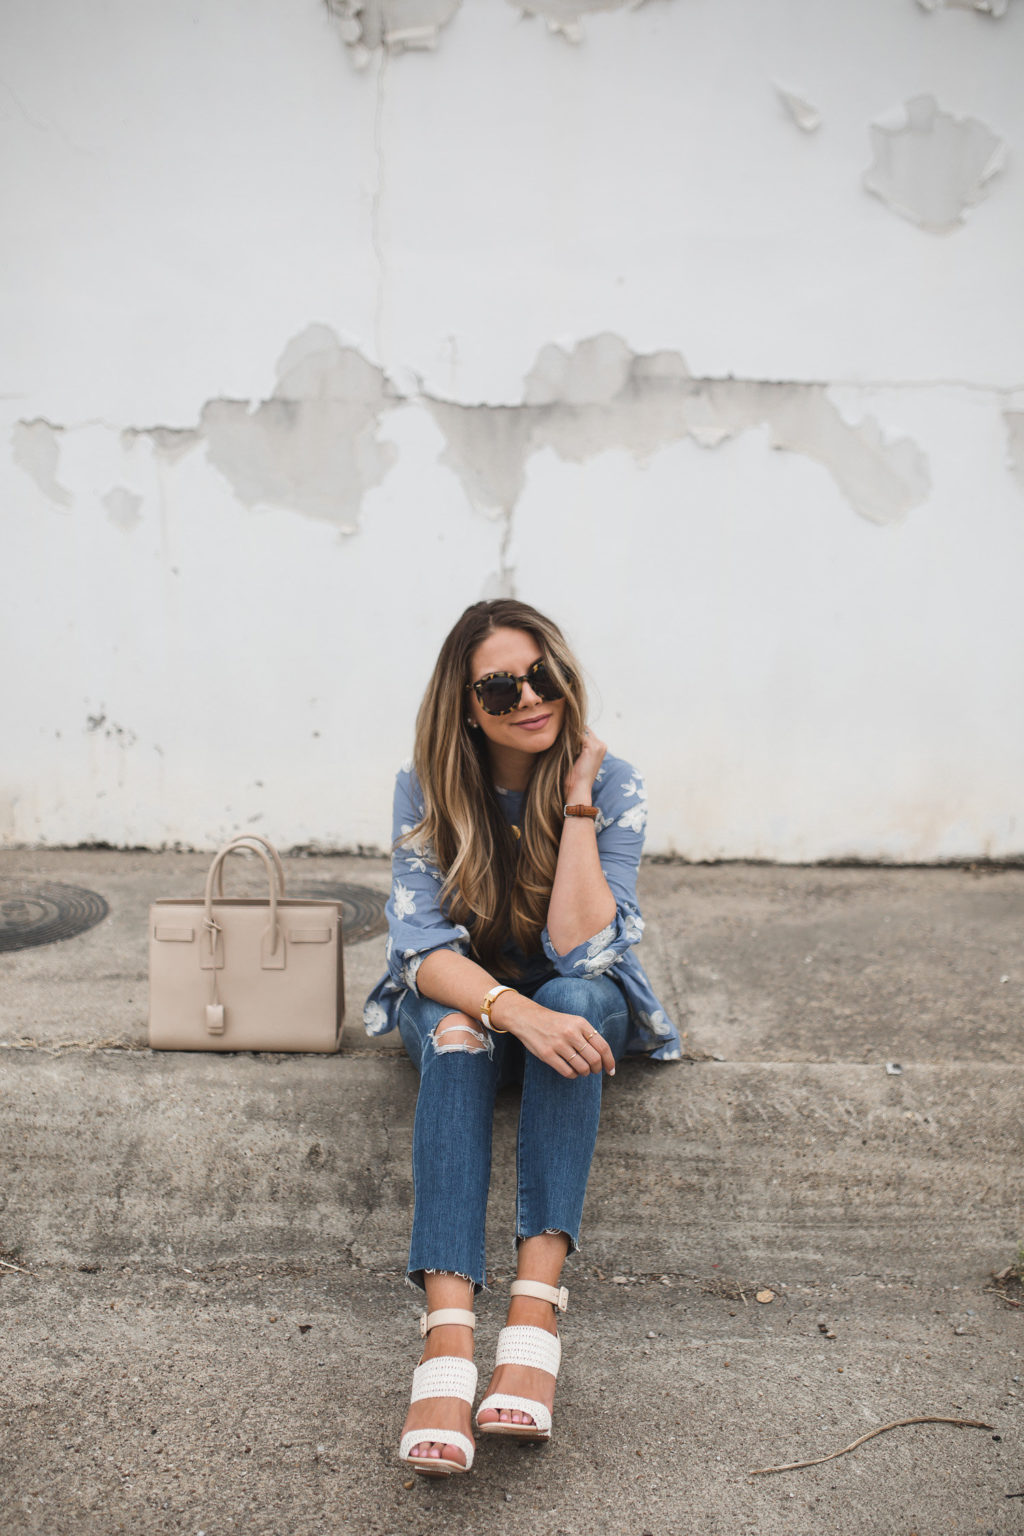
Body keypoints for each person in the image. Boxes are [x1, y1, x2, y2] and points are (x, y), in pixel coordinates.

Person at [363, 599, 680, 1478]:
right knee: (461, 1033)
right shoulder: (426, 786)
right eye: (502, 687)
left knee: (577, 994)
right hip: (470, 1001)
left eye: (545, 675)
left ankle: (535, 1318)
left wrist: (576, 800)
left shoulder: (612, 784)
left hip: (570, 1003)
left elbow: (586, 947)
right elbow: (420, 950)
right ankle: (450, 1343)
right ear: (465, 706)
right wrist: (516, 1010)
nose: (530, 697)